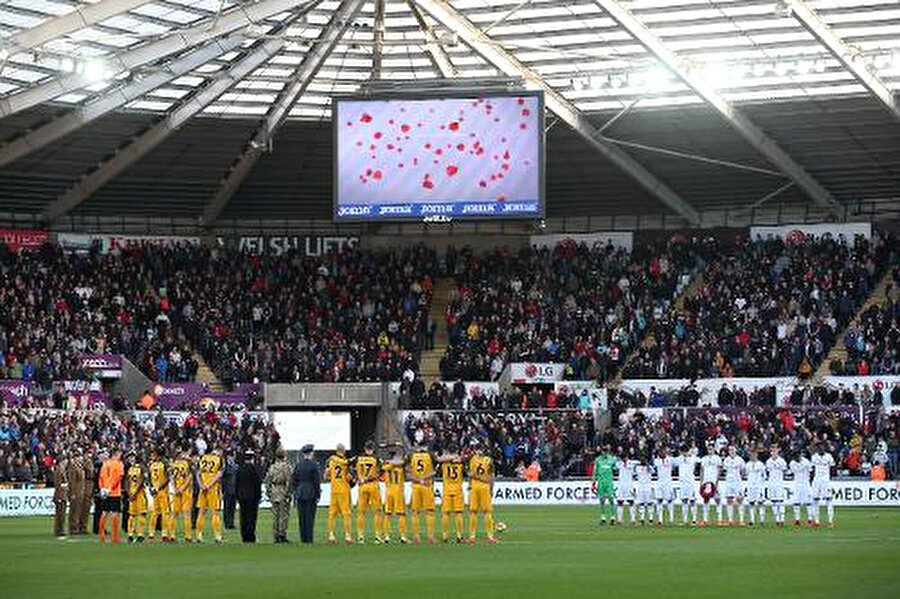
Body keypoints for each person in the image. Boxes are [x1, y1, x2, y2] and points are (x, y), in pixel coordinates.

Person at [467, 441, 497, 544]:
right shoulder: (489, 460)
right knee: (487, 512)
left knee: (473, 512)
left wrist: (469, 486)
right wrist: (492, 489)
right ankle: (490, 536)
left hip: (475, 486)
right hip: (485, 486)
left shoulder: (473, 459)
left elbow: (470, 474)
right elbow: (492, 476)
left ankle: (472, 537)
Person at [355, 440, 384, 544]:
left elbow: (350, 467)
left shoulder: (358, 458)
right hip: (373, 486)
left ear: (365, 448)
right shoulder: (376, 459)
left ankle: (360, 536)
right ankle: (377, 536)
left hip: (362, 487)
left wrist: (358, 478)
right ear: (373, 449)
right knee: (377, 512)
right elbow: (382, 472)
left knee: (361, 512)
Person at [408, 442, 436, 544]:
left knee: (415, 512)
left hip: (416, 486)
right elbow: (434, 471)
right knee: (429, 512)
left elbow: (407, 472)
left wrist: (417, 479)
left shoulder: (411, 456)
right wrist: (424, 478)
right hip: (427, 485)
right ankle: (431, 537)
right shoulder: (430, 455)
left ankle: (416, 537)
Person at [292, 444, 321, 544]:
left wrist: (295, 492)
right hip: (310, 492)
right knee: (310, 517)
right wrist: (318, 494)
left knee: (302, 517)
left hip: (300, 492)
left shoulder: (298, 465)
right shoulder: (314, 465)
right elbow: (316, 481)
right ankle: (309, 538)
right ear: (311, 453)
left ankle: (303, 538)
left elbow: (294, 480)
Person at [325, 444, 353, 544]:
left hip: (334, 490)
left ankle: (331, 535)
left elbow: (326, 475)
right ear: (343, 451)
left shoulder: (331, 461)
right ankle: (348, 536)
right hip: (343, 490)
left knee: (332, 513)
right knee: (346, 514)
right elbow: (349, 477)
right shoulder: (345, 462)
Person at [438, 443, 465, 543]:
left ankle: (445, 535)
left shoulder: (445, 461)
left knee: (446, 513)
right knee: (458, 513)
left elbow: (439, 459)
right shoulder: (460, 461)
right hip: (458, 488)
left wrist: (448, 456)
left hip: (447, 488)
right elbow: (463, 459)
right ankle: (459, 535)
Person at [196, 447, 224, 544]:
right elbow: (219, 474)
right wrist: (209, 485)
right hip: (213, 488)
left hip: (203, 488)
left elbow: (198, 474)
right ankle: (217, 536)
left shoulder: (202, 458)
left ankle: (199, 535)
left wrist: (201, 485)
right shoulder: (219, 459)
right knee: (215, 512)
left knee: (201, 512)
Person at [265, 448, 293, 543]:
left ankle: (276, 534)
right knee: (284, 514)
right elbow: (289, 480)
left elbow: (267, 480)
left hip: (274, 490)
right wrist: (289, 493)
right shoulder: (286, 467)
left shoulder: (272, 467)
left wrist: (269, 492)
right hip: (283, 489)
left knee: (275, 514)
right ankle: (282, 534)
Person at [98, 448, 125, 544]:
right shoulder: (119, 464)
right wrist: (110, 488)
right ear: (117, 453)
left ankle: (101, 536)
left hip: (105, 492)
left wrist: (102, 489)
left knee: (104, 512)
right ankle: (115, 537)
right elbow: (118, 478)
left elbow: (100, 478)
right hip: (114, 492)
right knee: (115, 513)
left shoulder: (105, 464)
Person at [382, 446, 408, 544]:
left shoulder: (386, 466)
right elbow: (403, 462)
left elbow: (384, 467)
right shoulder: (400, 465)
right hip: (398, 491)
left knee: (388, 514)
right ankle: (403, 536)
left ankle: (387, 536)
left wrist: (389, 462)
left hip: (389, 491)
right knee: (401, 514)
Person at [148, 448, 173, 542]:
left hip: (155, 491)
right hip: (162, 492)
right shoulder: (165, 464)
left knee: (154, 513)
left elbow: (149, 478)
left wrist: (152, 488)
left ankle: (151, 534)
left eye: (153, 453)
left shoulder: (152, 464)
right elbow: (167, 478)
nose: (152, 455)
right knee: (165, 513)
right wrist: (158, 488)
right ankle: (164, 534)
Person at [237, 449, 262, 543]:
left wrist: (237, 495)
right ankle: (250, 536)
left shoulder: (240, 469)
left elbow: (237, 483)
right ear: (252, 458)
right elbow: (257, 484)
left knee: (243, 517)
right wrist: (259, 496)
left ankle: (244, 536)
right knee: (251, 517)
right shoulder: (255, 469)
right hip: (252, 497)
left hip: (242, 496)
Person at [171, 449, 194, 542]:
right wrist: (183, 488)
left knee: (174, 514)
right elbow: (189, 477)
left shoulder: (174, 464)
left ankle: (172, 535)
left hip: (177, 490)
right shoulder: (187, 463)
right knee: (187, 513)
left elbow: (172, 478)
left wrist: (175, 488)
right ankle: (188, 536)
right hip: (186, 491)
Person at [125, 453, 148, 542]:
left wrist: (129, 493)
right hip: (140, 494)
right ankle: (140, 534)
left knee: (131, 515)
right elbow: (142, 481)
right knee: (142, 514)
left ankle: (130, 534)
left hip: (132, 493)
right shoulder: (142, 468)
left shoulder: (131, 469)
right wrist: (134, 493)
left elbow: (126, 481)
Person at [591, 444, 617, 525]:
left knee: (611, 498)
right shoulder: (598, 460)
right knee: (602, 500)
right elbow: (595, 471)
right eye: (603, 451)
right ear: (601, 451)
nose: (604, 452)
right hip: (601, 481)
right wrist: (594, 482)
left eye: (606, 451)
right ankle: (603, 517)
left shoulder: (612, 459)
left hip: (609, 482)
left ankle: (613, 517)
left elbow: (616, 468)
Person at [811, 445, 836, 528]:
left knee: (828, 500)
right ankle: (816, 521)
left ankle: (830, 521)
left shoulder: (829, 456)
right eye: (819, 448)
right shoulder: (814, 457)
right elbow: (813, 469)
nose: (821, 449)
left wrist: (830, 478)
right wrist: (812, 480)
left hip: (825, 480)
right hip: (816, 480)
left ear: (824, 448)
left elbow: (833, 467)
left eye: (822, 448)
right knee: (815, 500)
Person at [722, 446, 745, 526]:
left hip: (737, 482)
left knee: (740, 499)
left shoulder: (740, 460)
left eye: (733, 450)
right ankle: (730, 520)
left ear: (736, 450)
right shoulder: (726, 460)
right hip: (729, 482)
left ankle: (741, 520)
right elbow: (725, 470)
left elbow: (742, 471)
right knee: (729, 499)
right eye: (730, 450)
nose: (731, 451)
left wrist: (739, 479)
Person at [789, 450, 814, 527]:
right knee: (796, 502)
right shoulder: (792, 463)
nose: (796, 458)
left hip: (805, 483)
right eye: (794, 457)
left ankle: (810, 519)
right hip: (796, 483)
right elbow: (793, 472)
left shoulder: (806, 462)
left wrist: (809, 480)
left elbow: (811, 471)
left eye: (797, 456)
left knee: (808, 502)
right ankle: (797, 520)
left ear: (800, 455)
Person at [765, 445, 788, 526]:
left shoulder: (782, 461)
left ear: (778, 451)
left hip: (779, 483)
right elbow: (767, 471)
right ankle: (777, 519)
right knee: (774, 501)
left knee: (780, 501)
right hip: (771, 483)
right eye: (772, 451)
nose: (773, 452)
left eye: (775, 450)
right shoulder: (768, 461)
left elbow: (785, 471)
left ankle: (782, 519)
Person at [699, 446, 721, 526]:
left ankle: (720, 519)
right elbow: (701, 471)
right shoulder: (704, 459)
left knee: (717, 499)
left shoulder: (717, 458)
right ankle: (705, 519)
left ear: (714, 450)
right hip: (706, 482)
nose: (710, 450)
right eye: (708, 449)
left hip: (714, 482)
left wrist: (717, 482)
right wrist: (701, 482)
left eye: (711, 449)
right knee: (705, 500)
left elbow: (719, 470)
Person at [676, 446, 698, 526]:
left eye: (686, 451)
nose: (684, 453)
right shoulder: (679, 459)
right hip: (682, 483)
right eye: (683, 451)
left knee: (692, 501)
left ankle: (694, 520)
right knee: (684, 501)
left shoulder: (693, 458)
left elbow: (700, 461)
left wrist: (691, 453)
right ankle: (685, 520)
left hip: (690, 483)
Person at [744, 448, 767, 526]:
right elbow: (746, 474)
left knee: (760, 502)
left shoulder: (761, 464)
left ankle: (762, 520)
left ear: (756, 455)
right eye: (750, 455)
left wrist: (761, 484)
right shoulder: (747, 465)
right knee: (751, 502)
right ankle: (752, 520)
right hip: (750, 486)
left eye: (753, 454)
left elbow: (764, 475)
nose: (752, 456)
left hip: (758, 486)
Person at [654, 446, 676, 525]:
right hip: (659, 482)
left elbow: (675, 465)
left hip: (668, 483)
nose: (661, 453)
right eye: (660, 452)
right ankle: (660, 519)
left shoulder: (670, 459)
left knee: (669, 500)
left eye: (662, 452)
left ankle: (671, 518)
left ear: (665, 452)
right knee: (659, 500)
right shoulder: (656, 461)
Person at [615, 449, 637, 525]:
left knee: (631, 501)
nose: (624, 459)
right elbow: (616, 466)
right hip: (621, 485)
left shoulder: (631, 463)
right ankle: (619, 520)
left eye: (625, 458)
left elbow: (638, 463)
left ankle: (633, 519)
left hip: (629, 485)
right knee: (619, 501)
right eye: (622, 458)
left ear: (627, 457)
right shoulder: (619, 463)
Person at [67, 450, 84, 536]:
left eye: (80, 456)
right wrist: (72, 493)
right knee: (74, 511)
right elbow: (72, 481)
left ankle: (76, 527)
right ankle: (73, 528)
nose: (80, 458)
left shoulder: (80, 466)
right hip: (76, 492)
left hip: (80, 492)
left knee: (78, 511)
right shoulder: (73, 467)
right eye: (78, 457)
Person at [53, 453, 69, 540]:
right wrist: (58, 496)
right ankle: (59, 530)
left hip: (63, 494)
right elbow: (57, 484)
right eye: (65, 460)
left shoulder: (61, 469)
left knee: (62, 514)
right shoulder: (58, 470)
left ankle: (60, 529)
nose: (66, 461)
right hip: (60, 495)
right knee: (60, 514)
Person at [634, 458, 654, 525]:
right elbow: (635, 473)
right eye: (642, 460)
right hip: (640, 487)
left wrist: (647, 465)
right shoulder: (637, 468)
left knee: (649, 503)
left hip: (648, 487)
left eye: (645, 460)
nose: (643, 461)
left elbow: (652, 472)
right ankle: (642, 518)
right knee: (641, 503)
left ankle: (650, 518)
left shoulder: (650, 467)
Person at [223, 451, 238, 530]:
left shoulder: (235, 466)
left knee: (232, 507)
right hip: (227, 489)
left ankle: (231, 523)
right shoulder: (225, 466)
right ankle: (227, 523)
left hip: (234, 489)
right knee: (227, 507)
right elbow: (223, 478)